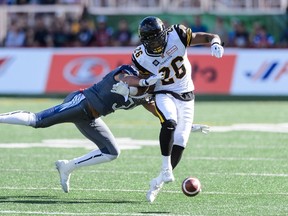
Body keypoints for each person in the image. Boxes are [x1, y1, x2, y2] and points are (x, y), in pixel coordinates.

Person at [0, 64, 209, 193]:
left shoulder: (147, 94)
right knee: (38, 121)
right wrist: (143, 80)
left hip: (91, 117)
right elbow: (126, 79)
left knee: (112, 152)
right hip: (80, 103)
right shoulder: (129, 72)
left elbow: (159, 114)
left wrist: (187, 126)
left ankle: (67, 166)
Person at [130, 16, 224, 203]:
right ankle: (166, 168)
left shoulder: (177, 34)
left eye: (159, 37)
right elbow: (143, 85)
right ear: (145, 41)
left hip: (186, 93)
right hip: (163, 92)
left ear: (164, 33)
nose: (157, 43)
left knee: (180, 141)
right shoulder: (140, 56)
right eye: (152, 40)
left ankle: (157, 182)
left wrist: (215, 43)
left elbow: (209, 36)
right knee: (170, 122)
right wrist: (139, 86)